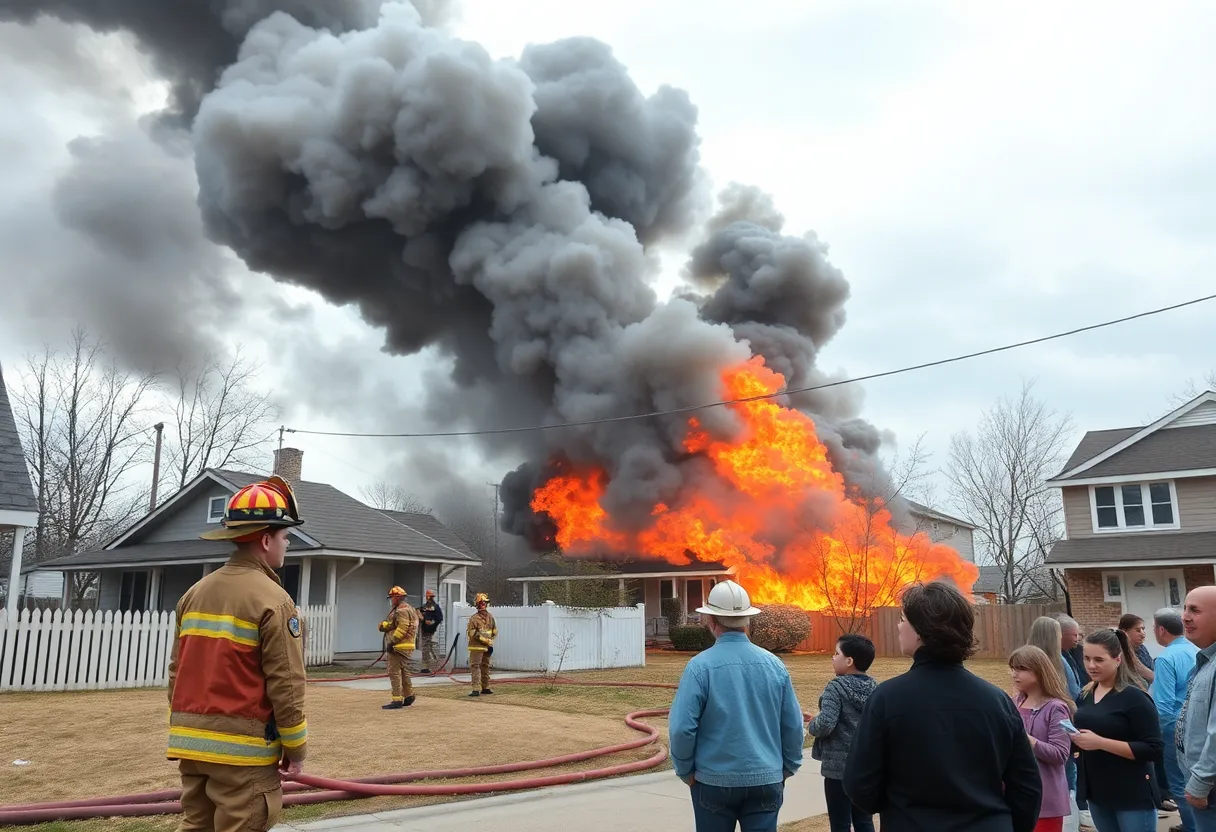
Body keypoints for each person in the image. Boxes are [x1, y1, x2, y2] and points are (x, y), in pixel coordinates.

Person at [843, 580, 1041, 831]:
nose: (898, 626)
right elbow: (1027, 785)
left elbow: (860, 784)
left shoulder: (886, 699)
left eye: (903, 619)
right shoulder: (997, 701)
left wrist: (899, 807)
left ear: (920, 631)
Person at [168, 476, 308, 832]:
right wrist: (296, 748)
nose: (286, 543)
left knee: (195, 825)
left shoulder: (194, 593)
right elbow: (287, 685)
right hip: (242, 753)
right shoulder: (274, 601)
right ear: (265, 539)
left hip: (191, 747)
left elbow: (177, 671)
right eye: (283, 536)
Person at [668, 580, 804, 832]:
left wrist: (685, 769)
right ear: (747, 621)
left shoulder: (699, 667)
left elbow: (681, 729)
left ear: (712, 621)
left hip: (713, 781)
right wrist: (789, 765)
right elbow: (793, 724)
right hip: (767, 777)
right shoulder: (774, 665)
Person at [1071, 627, 1163, 832]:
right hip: (1098, 793)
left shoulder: (1135, 698)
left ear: (1117, 659)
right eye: (1086, 658)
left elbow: (1153, 749)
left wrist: (1101, 743)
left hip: (1132, 795)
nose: (1091, 665)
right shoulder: (1085, 694)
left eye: (1099, 660)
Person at [808, 634, 878, 832]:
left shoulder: (835, 688)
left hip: (838, 771)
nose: (832, 657)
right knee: (864, 821)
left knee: (840, 824)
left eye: (836, 653)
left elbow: (825, 724)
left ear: (849, 661)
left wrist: (812, 724)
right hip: (865, 767)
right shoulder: (874, 688)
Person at [1009, 645, 1075, 832]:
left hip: (1045, 800)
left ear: (1039, 671)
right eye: (1013, 668)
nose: (1014, 674)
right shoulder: (1014, 702)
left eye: (1021, 669)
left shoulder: (1056, 708)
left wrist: (1026, 739)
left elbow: (1060, 754)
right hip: (1016, 794)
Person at [1151, 607, 1198, 832]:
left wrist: (1156, 737)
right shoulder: (1197, 650)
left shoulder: (1166, 659)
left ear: (1161, 630)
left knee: (1179, 783)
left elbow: (1164, 705)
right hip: (1198, 724)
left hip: (1174, 727)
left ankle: (1191, 827)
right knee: (1197, 780)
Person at [1178, 585, 1216, 831]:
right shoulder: (1206, 661)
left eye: (1194, 610)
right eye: (1184, 608)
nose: (1184, 616)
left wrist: (1200, 784)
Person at [378, 586, 418, 709]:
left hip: (398, 646)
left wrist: (392, 642)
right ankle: (408, 695)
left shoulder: (401, 611)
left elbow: (403, 628)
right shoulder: (410, 609)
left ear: (397, 598)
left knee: (394, 672)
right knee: (404, 672)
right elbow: (399, 625)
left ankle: (397, 699)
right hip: (407, 645)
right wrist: (386, 626)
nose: (391, 600)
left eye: (392, 598)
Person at [466, 593, 497, 697]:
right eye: (481, 603)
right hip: (476, 647)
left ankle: (486, 687)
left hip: (487, 647)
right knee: (476, 666)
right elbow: (472, 633)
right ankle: (476, 688)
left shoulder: (490, 617)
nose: (483, 604)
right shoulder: (474, 618)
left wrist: (491, 640)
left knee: (485, 666)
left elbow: (494, 630)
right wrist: (485, 640)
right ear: (477, 605)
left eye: (484, 602)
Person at [1119, 614, 1156, 685]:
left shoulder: (1142, 648)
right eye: (1138, 630)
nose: (1143, 634)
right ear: (1124, 632)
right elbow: (1140, 670)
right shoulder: (1118, 651)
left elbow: (1151, 669)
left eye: (1143, 629)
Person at [417, 588, 444, 674]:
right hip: (425, 631)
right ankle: (426, 667)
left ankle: (436, 666)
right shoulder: (424, 607)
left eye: (430, 596)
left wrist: (432, 623)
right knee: (425, 649)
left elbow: (440, 618)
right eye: (428, 596)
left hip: (432, 632)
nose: (429, 598)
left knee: (432, 648)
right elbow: (417, 611)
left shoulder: (436, 607)